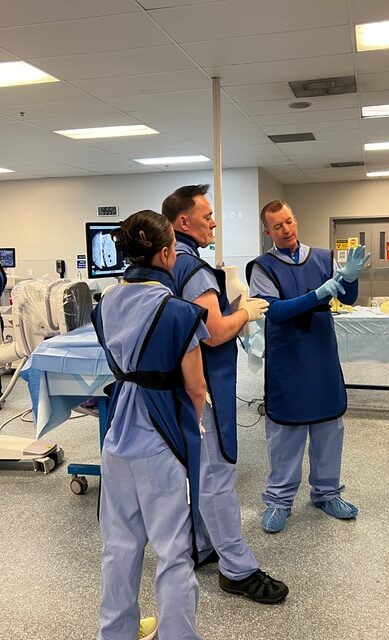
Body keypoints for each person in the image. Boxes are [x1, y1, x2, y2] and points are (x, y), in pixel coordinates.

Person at [162, 185, 289, 604]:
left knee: (198, 473)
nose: (214, 222)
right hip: (203, 390)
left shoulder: (166, 264)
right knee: (218, 477)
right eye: (207, 216)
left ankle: (202, 544)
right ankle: (237, 569)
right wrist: (245, 312)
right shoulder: (193, 269)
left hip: (174, 389)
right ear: (183, 222)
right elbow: (214, 334)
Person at [91, 210, 208, 640]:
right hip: (162, 436)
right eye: (174, 249)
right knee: (174, 551)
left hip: (117, 432)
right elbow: (196, 390)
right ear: (164, 252)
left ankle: (116, 633)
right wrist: (190, 432)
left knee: (119, 546)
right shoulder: (179, 313)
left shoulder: (104, 306)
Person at [246, 200, 370, 533]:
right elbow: (275, 311)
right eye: (277, 226)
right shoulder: (262, 267)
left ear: (295, 219)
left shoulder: (323, 258)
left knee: (329, 425)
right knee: (286, 431)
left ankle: (327, 493)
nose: (286, 230)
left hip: (320, 353)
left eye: (289, 222)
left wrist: (351, 278)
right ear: (267, 231)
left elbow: (347, 298)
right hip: (288, 356)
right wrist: (318, 293)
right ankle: (279, 500)